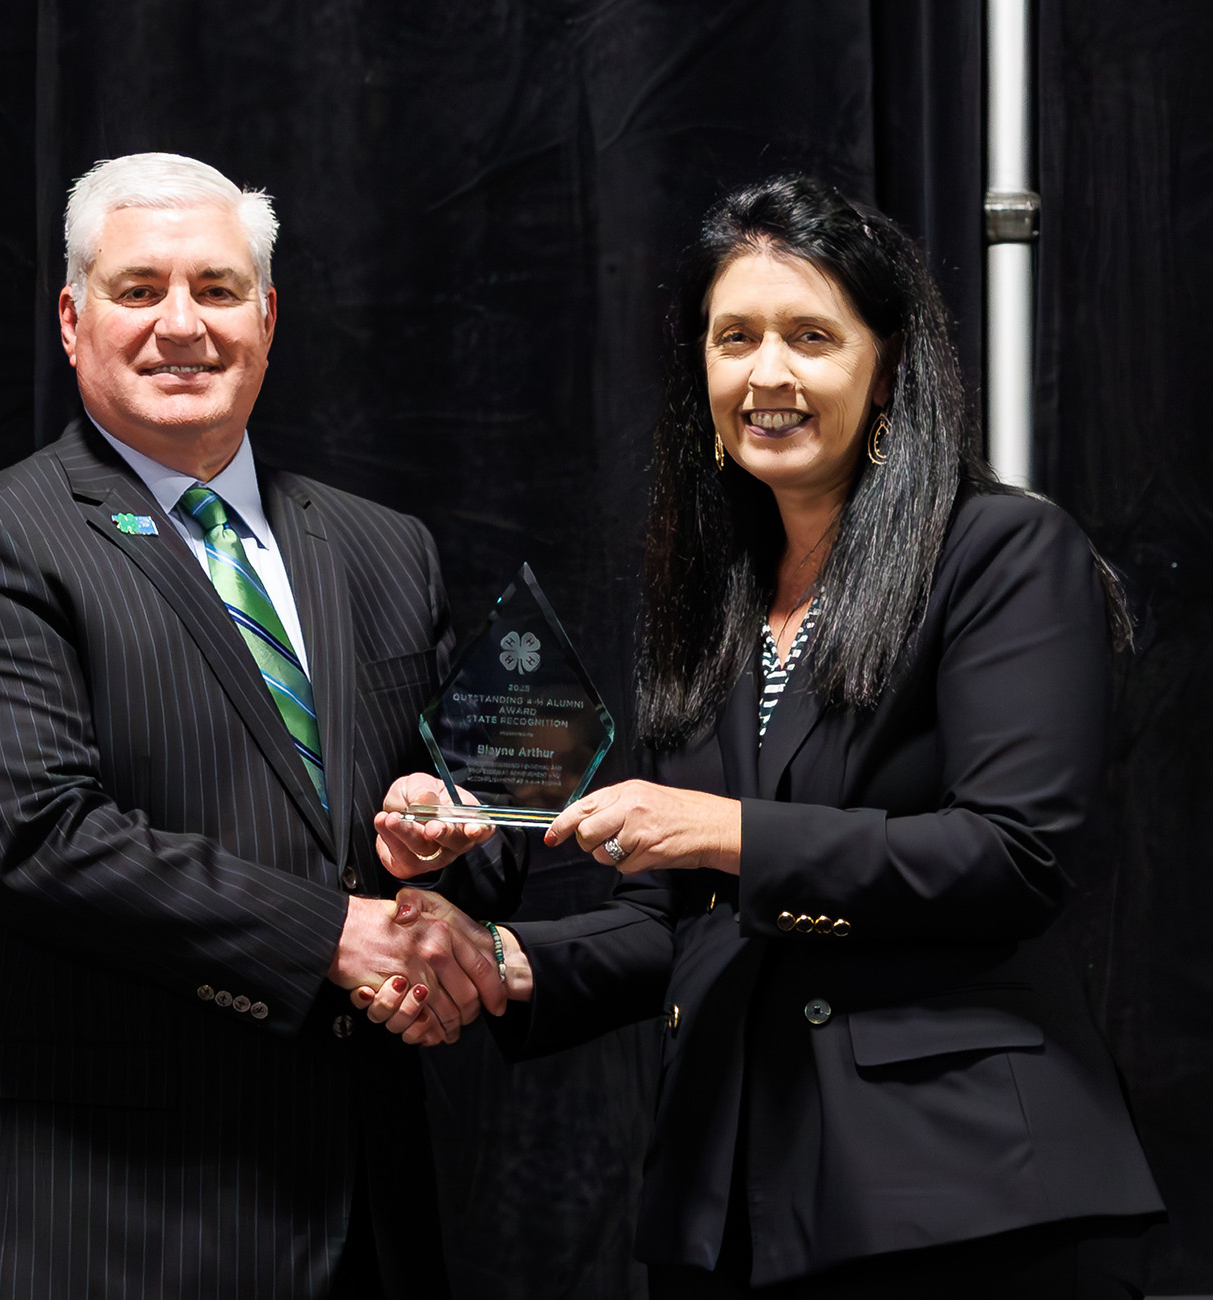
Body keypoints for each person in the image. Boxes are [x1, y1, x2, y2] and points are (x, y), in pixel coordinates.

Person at [372, 173, 1163, 1296]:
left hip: (965, 1198)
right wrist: (497, 961)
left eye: (810, 336)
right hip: (736, 1196)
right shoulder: (718, 601)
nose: (767, 374)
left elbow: (1012, 854)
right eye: (732, 336)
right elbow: (678, 918)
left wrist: (725, 827)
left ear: (886, 365)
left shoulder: (1000, 552)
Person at [0, 152, 514, 1298]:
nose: (183, 324)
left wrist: (442, 834)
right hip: (95, 1220)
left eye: (218, 291)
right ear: (73, 322)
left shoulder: (385, 548)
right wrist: (335, 931)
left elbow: (477, 810)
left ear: (267, 321)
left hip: (357, 1208)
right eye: (139, 290)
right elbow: (35, 841)